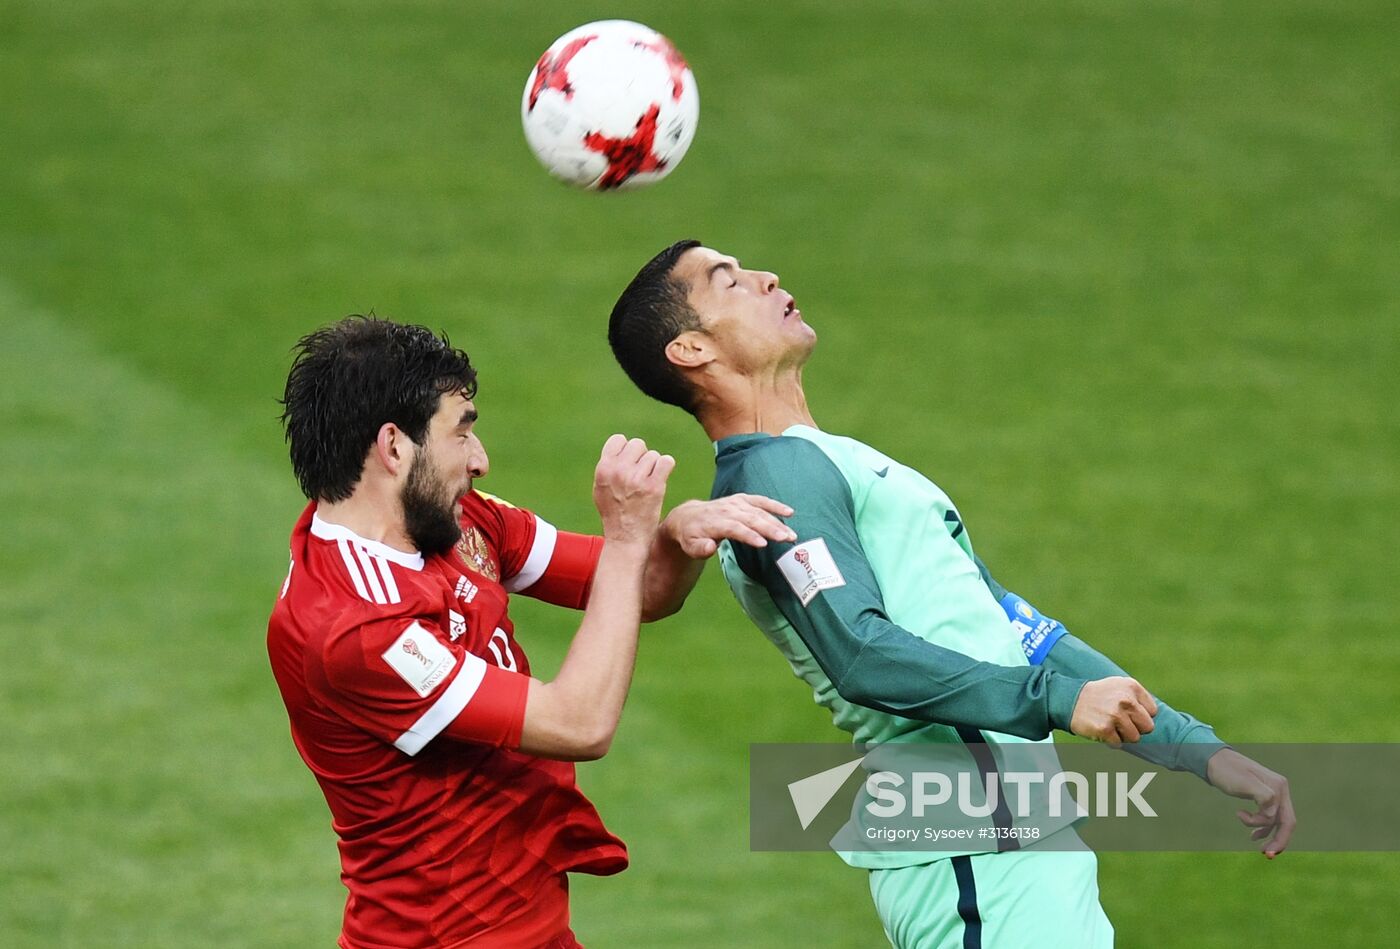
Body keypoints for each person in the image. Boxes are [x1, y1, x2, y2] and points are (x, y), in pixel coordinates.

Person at [606, 241, 1295, 948]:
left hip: (1018, 839)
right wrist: (1059, 701)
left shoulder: (830, 459)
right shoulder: (774, 481)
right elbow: (861, 655)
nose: (766, 277)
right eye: (730, 281)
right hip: (970, 849)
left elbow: (1018, 627)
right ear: (691, 349)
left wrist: (1195, 748)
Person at [266, 316, 795, 948]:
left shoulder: (452, 520)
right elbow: (579, 724)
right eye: (462, 431)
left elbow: (642, 588)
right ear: (394, 447)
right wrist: (628, 539)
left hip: (528, 927)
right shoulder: (353, 628)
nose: (481, 460)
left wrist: (676, 537)